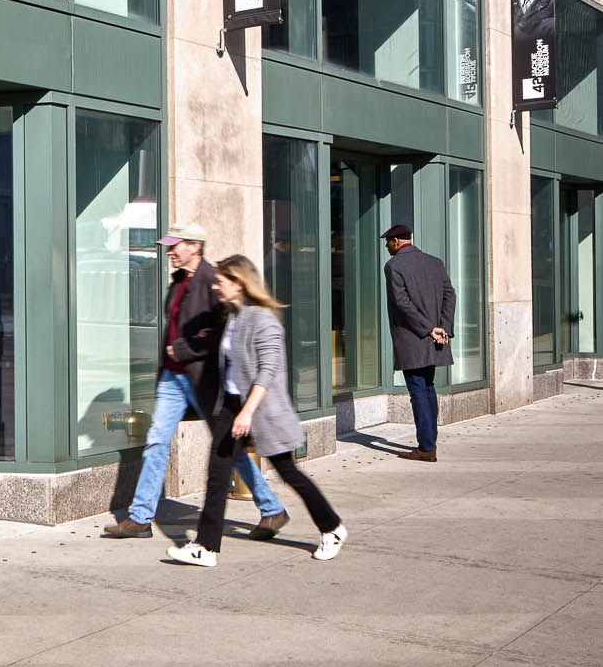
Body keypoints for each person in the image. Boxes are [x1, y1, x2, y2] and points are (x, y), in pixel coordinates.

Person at [103, 224, 289, 541]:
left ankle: (271, 509)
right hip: (173, 378)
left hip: (205, 380)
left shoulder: (213, 280)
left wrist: (185, 348)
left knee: (227, 447)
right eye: (169, 246)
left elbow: (221, 332)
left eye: (175, 245)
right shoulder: (178, 282)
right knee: (156, 442)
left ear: (194, 246)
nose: (170, 251)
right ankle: (140, 518)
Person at [166, 255, 347, 568]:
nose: (215, 285)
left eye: (221, 281)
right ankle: (205, 548)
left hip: (262, 410)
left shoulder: (263, 319)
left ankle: (332, 528)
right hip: (231, 405)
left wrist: (247, 412)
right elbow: (215, 347)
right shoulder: (232, 315)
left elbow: (268, 369)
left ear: (238, 283)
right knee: (218, 476)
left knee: (288, 472)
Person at [383, 223, 456, 462]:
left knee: (418, 391)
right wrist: (442, 327)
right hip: (434, 337)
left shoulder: (394, 266)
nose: (386, 246)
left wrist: (428, 329)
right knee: (428, 388)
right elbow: (449, 295)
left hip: (413, 339)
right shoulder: (435, 262)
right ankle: (429, 443)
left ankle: (426, 448)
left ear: (396, 242)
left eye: (388, 242)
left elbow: (402, 304)